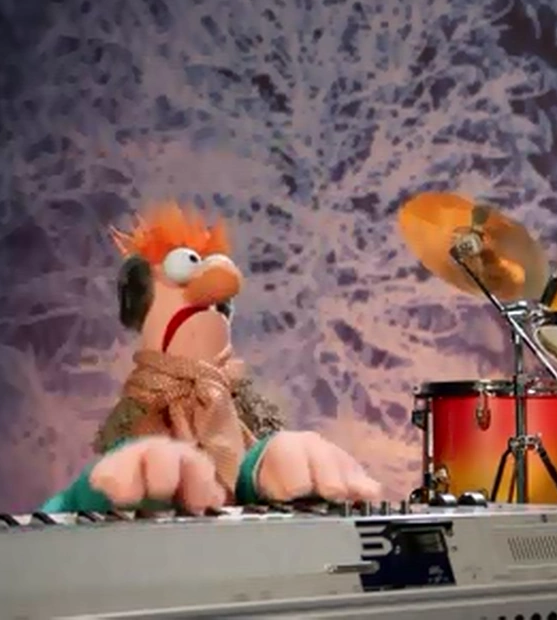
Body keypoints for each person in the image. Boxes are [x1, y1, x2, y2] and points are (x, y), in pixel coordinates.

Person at [42, 203, 381, 514]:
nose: (213, 302)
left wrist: (268, 463)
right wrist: (95, 492)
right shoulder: (143, 411)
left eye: (223, 307)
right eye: (185, 269)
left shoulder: (234, 411)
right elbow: (52, 518)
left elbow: (243, 481)